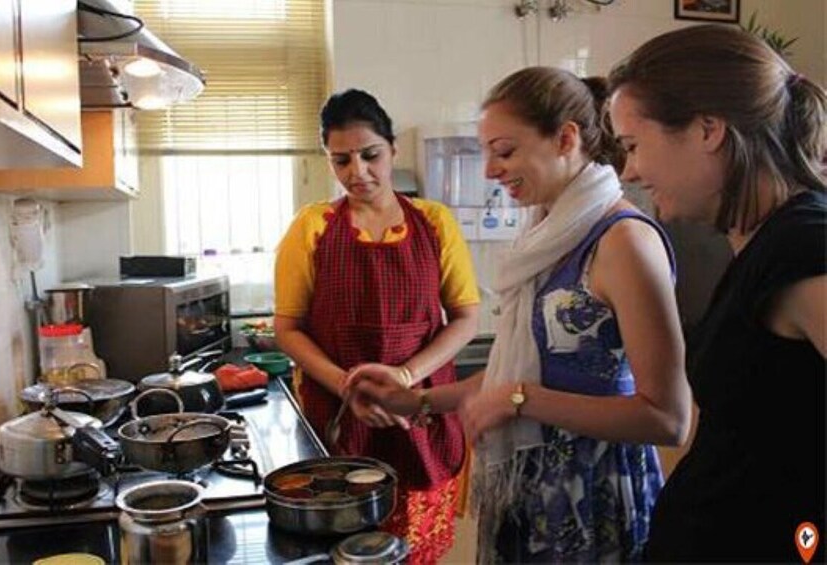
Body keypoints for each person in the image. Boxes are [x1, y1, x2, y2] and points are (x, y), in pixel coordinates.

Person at [346, 67, 691, 562]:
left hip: (591, 493)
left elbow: (666, 418)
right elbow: (517, 376)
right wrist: (411, 400)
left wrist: (520, 399)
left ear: (566, 138)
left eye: (504, 151)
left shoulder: (624, 241)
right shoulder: (543, 236)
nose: (490, 170)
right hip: (529, 494)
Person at [606, 25, 826, 562]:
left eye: (635, 146)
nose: (631, 170)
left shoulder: (804, 245)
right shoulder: (761, 241)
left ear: (708, 129)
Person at [273, 88, 481, 563]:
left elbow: (466, 319)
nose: (357, 173)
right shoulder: (312, 227)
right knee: (345, 549)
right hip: (340, 412)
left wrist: (404, 379)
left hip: (421, 409)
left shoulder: (434, 223)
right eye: (341, 160)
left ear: (393, 150)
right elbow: (288, 328)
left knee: (415, 549)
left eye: (370, 156)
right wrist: (351, 386)